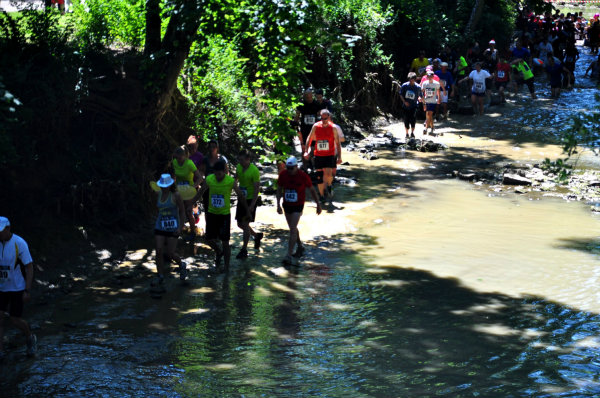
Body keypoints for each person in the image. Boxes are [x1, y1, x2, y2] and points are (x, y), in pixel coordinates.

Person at [195, 160, 247, 272]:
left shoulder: (230, 181)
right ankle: (218, 251)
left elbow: (240, 195)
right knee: (208, 239)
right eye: (216, 174)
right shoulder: (209, 179)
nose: (218, 176)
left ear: (224, 172)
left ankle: (226, 267)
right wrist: (192, 202)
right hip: (212, 213)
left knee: (225, 242)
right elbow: (201, 192)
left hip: (224, 215)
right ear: (214, 172)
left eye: (220, 174)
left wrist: (247, 209)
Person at [0, 217, 36, 359]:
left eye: (0, 231)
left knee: (15, 320)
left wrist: (27, 290)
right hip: (1, 288)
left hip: (17, 288)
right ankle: (0, 351)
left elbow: (29, 267)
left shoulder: (19, 243)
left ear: (8, 228)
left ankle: (30, 337)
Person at [276, 156, 321, 265]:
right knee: (293, 228)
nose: (290, 170)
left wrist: (318, 204)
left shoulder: (303, 176)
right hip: (287, 205)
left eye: (292, 168)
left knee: (292, 229)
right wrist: (277, 204)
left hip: (298, 205)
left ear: (296, 166)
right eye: (288, 168)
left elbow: (312, 190)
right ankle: (300, 246)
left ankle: (289, 255)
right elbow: (279, 189)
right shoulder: (283, 175)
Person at [152, 174, 187, 292]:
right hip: (160, 226)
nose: (163, 187)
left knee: (170, 253)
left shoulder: (176, 195)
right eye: (162, 185)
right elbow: (157, 209)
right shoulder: (158, 194)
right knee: (158, 250)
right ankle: (160, 275)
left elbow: (182, 212)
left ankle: (182, 265)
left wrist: (181, 227)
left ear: (170, 185)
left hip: (173, 227)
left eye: (165, 185)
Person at [304, 109, 342, 204]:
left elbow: (337, 143)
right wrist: (306, 151)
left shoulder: (333, 128)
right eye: (322, 118)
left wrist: (339, 157)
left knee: (329, 174)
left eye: (326, 118)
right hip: (318, 155)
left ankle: (329, 185)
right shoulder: (316, 126)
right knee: (319, 177)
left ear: (329, 117)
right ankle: (321, 196)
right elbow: (309, 137)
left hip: (329, 155)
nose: (324, 120)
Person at [234, 150, 263, 259]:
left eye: (242, 160)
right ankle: (256, 236)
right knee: (239, 224)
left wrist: (252, 205)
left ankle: (244, 249)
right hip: (241, 199)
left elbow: (257, 189)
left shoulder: (254, 171)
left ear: (248, 159)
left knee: (245, 224)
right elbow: (235, 179)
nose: (240, 162)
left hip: (250, 199)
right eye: (239, 160)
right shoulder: (238, 167)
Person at [172, 145, 202, 240]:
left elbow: (200, 178)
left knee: (189, 211)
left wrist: (193, 187)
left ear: (185, 155)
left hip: (188, 191)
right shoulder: (174, 163)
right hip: (178, 191)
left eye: (180, 157)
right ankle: (178, 230)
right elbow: (173, 177)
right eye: (176, 157)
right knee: (178, 211)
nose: (178, 160)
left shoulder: (189, 163)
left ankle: (193, 232)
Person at [200, 140, 228, 228]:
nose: (212, 149)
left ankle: (218, 229)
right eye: (210, 146)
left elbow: (227, 173)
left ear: (217, 148)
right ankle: (209, 229)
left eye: (214, 147)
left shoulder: (222, 159)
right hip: (207, 188)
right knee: (207, 210)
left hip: (219, 188)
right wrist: (203, 180)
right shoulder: (205, 159)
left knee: (218, 209)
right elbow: (201, 172)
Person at [294, 88, 322, 164]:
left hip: (314, 130)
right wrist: (295, 125)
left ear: (312, 96)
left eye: (310, 97)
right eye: (307, 97)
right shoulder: (301, 105)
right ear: (304, 97)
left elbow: (320, 116)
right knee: (303, 148)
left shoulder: (317, 104)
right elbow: (297, 116)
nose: (309, 99)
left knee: (313, 148)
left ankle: (311, 162)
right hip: (304, 129)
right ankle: (305, 167)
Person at [399, 72, 422, 139]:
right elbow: (400, 94)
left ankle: (412, 133)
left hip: (414, 106)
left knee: (413, 119)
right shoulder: (404, 85)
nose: (410, 81)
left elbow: (420, 95)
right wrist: (404, 101)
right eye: (409, 79)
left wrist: (420, 98)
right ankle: (406, 133)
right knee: (406, 119)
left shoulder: (418, 87)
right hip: (405, 106)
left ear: (415, 79)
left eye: (412, 79)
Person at [420, 70, 441, 135]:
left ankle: (426, 129)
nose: (429, 77)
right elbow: (422, 92)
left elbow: (438, 91)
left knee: (429, 114)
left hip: (433, 101)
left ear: (433, 76)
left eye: (430, 76)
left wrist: (439, 98)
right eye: (428, 76)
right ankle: (432, 127)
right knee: (429, 115)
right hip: (426, 100)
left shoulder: (436, 83)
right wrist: (421, 98)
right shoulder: (425, 83)